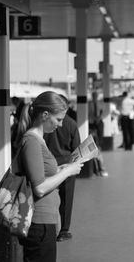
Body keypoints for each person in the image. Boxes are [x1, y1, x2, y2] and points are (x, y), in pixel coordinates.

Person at [14, 91, 83, 262]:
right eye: (58, 119)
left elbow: (40, 173)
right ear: (45, 115)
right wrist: (67, 172)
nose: (60, 125)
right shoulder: (32, 141)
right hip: (39, 223)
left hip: (44, 222)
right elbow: (39, 187)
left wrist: (61, 168)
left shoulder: (39, 139)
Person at [43, 95, 81, 242]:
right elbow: (76, 148)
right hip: (67, 165)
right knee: (66, 198)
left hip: (48, 164)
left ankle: (50, 228)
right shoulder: (71, 124)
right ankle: (63, 230)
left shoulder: (45, 124)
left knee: (47, 198)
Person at [88, 91, 108, 177]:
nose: (94, 97)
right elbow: (87, 114)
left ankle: (100, 169)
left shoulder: (101, 104)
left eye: (96, 95)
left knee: (98, 147)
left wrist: (99, 118)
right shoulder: (88, 104)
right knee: (94, 148)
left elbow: (104, 113)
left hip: (98, 125)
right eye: (93, 95)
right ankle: (99, 169)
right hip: (91, 125)